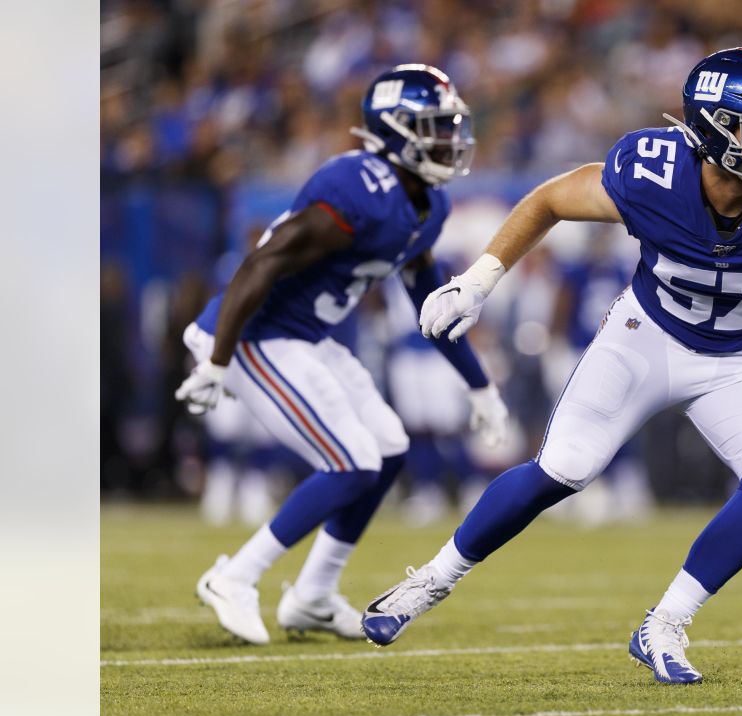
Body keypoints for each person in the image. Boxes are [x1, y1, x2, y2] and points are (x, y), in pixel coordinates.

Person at [361, 48, 742, 684]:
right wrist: (479, 281)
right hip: (646, 335)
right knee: (564, 468)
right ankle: (431, 581)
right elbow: (549, 201)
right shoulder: (655, 173)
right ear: (712, 129)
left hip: (739, 355)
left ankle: (666, 624)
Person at [174, 65, 509, 645]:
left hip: (301, 337)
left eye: (451, 126)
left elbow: (432, 303)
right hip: (255, 333)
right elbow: (261, 262)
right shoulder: (360, 187)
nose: (449, 141)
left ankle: (311, 596)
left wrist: (478, 385)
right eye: (433, 128)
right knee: (352, 460)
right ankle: (235, 576)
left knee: (388, 448)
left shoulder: (427, 205)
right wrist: (218, 359)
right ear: (395, 130)